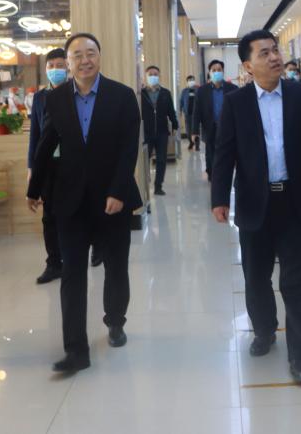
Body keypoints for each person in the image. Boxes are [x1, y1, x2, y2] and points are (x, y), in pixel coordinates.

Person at [212, 29, 301, 386]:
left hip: (294, 200)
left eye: (275, 50)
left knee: (297, 280)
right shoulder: (236, 102)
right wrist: (219, 197)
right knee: (256, 276)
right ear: (248, 66)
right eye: (264, 53)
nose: (274, 57)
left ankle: (300, 356)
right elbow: (225, 152)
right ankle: (264, 330)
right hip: (254, 202)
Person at [27, 33, 141, 375]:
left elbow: (129, 149)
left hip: (113, 199)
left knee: (116, 267)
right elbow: (46, 143)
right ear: (68, 62)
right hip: (70, 200)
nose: (84, 60)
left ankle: (115, 320)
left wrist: (118, 191)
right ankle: (76, 349)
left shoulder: (122, 96)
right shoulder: (56, 98)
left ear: (99, 56)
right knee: (72, 274)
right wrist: (34, 188)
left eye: (90, 53)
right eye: (77, 55)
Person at [28, 48, 68, 285]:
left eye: (60, 65)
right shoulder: (39, 98)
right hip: (48, 164)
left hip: (72, 164)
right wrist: (31, 168)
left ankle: (91, 248)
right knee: (49, 217)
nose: (55, 70)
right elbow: (35, 135)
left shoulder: (76, 92)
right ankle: (54, 263)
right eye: (51, 66)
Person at [190, 60, 238, 181]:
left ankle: (224, 173)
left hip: (227, 127)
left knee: (227, 151)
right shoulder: (202, 91)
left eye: (219, 70)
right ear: (209, 73)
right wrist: (194, 131)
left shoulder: (233, 88)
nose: (217, 72)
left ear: (223, 71)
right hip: (209, 127)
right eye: (214, 70)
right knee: (210, 153)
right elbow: (196, 112)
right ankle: (212, 174)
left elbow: (238, 110)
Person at [141, 65, 178, 196]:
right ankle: (144, 185)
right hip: (146, 133)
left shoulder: (165, 93)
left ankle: (158, 186)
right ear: (146, 76)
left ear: (159, 76)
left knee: (161, 160)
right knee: (145, 161)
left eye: (155, 74)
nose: (153, 76)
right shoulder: (141, 94)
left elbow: (171, 111)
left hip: (162, 132)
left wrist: (175, 125)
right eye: (150, 74)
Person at [180, 75, 199, 151]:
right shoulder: (184, 91)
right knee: (188, 130)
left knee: (196, 129)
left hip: (196, 113)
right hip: (187, 114)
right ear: (187, 82)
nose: (191, 81)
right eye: (190, 80)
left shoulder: (198, 89)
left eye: (192, 80)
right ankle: (191, 142)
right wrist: (180, 110)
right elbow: (181, 101)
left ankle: (197, 145)